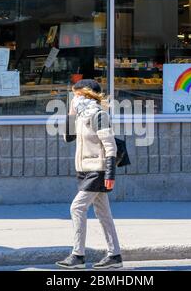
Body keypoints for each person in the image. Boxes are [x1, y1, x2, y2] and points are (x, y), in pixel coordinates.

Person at [56, 79, 123, 270]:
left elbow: (111, 147)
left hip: (98, 170)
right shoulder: (81, 116)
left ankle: (78, 255)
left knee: (77, 208)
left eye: (76, 95)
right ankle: (115, 256)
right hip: (85, 170)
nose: (74, 98)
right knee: (103, 213)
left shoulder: (99, 115)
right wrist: (70, 113)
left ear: (86, 95)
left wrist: (110, 175)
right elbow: (68, 138)